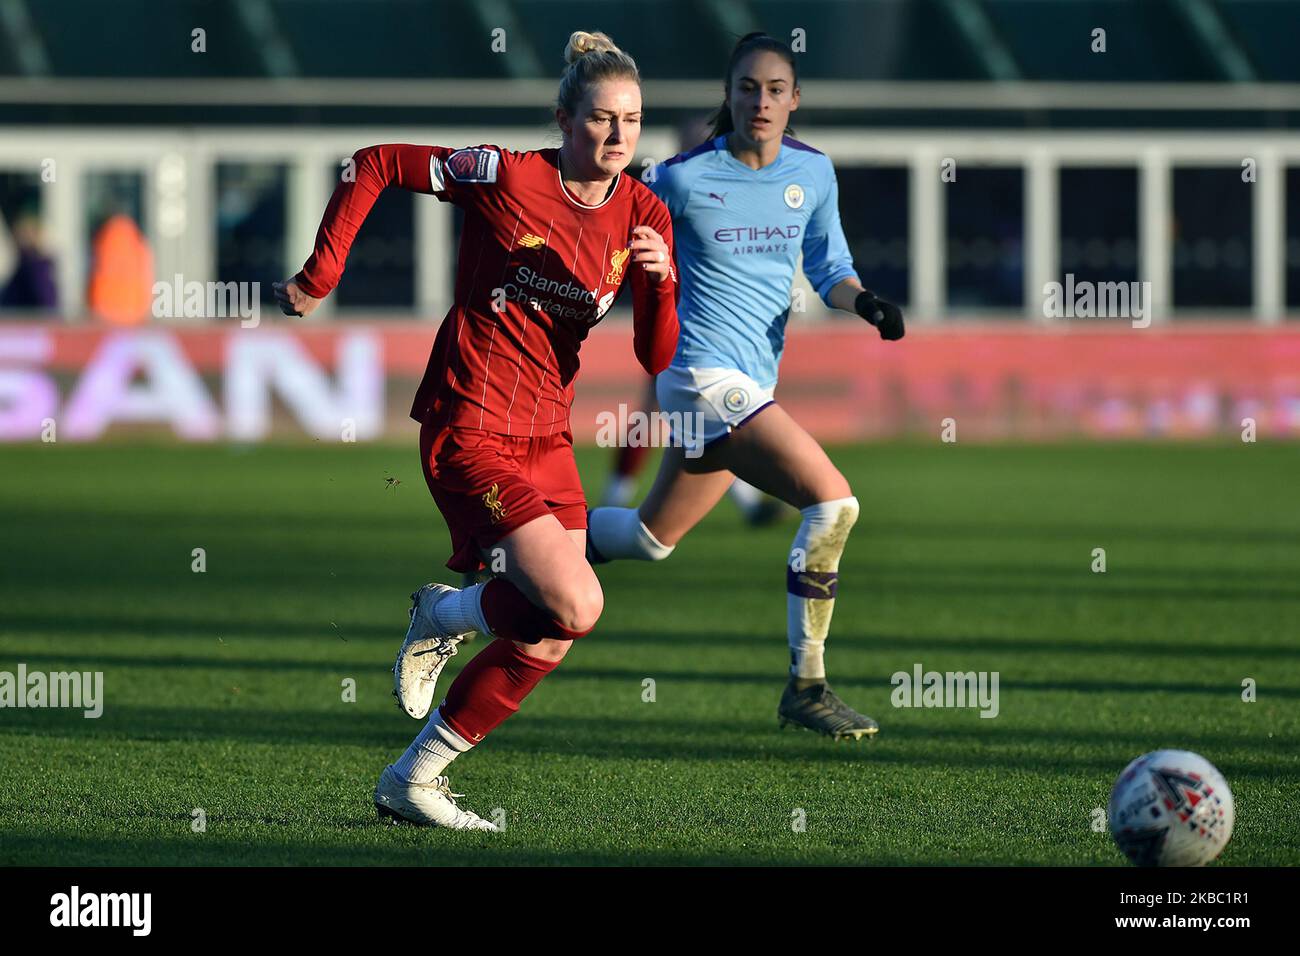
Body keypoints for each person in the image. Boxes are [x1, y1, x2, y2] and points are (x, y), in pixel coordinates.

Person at [275, 30, 677, 829]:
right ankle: (447, 620)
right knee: (579, 599)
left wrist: (662, 283)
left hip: (548, 439)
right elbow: (376, 162)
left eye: (630, 122)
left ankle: (413, 777)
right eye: (600, 119)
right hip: (470, 424)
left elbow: (654, 355)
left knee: (554, 626)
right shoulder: (508, 175)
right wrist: (323, 271)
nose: (617, 136)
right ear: (564, 120)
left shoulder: (644, 210)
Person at [585, 32, 905, 741]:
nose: (760, 101)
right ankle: (808, 686)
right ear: (727, 98)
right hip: (698, 378)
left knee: (647, 538)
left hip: (747, 384)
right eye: (747, 88)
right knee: (834, 505)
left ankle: (522, 546)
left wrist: (866, 302)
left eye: (774, 89)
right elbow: (601, 216)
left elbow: (829, 268)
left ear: (795, 100)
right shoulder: (678, 176)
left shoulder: (813, 174)